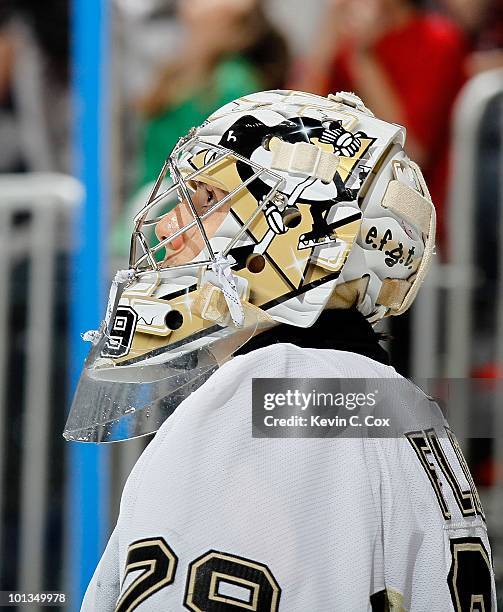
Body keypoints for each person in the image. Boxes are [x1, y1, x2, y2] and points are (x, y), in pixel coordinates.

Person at [65, 90, 496, 609]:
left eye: (203, 200)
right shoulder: (402, 406)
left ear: (295, 230)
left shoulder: (254, 402)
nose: (165, 227)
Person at [111, 0, 290, 258]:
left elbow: (227, 177)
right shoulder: (180, 70)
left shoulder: (233, 83)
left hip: (185, 238)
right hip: (149, 226)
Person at [293, 0, 467, 251]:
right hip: (336, 207)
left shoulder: (438, 39)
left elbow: (411, 150)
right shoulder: (349, 38)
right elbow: (298, 125)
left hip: (408, 226)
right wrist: (325, 39)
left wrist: (363, 58)